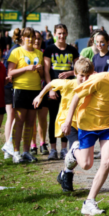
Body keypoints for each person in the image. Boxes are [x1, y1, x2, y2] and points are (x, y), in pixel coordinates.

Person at [62, 52, 109, 215]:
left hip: (108, 126)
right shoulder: (99, 79)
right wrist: (67, 121)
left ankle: (89, 201)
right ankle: (74, 150)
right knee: (86, 165)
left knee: (108, 160)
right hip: (88, 124)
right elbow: (76, 96)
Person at [33, 57, 94, 191]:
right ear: (76, 74)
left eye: (88, 76)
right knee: (76, 146)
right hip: (67, 121)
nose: (85, 79)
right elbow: (51, 84)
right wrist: (40, 96)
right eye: (82, 76)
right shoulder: (69, 84)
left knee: (81, 153)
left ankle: (64, 172)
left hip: (83, 124)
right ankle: (68, 175)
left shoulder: (91, 86)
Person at [43, 24, 80, 160]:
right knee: (53, 118)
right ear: (54, 34)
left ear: (67, 34)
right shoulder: (49, 50)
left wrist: (69, 72)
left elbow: (78, 68)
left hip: (69, 90)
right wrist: (51, 89)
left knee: (66, 118)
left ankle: (64, 149)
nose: (61, 36)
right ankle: (53, 149)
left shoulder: (72, 50)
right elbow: (46, 70)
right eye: (59, 33)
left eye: (64, 33)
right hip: (54, 90)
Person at [7, 27, 44, 163]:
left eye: (32, 37)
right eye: (27, 37)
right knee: (20, 121)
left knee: (30, 122)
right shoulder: (16, 51)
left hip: (35, 90)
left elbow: (41, 75)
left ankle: (26, 151)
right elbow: (10, 73)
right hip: (20, 89)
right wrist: (26, 68)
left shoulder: (38, 53)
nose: (30, 39)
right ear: (22, 38)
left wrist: (40, 70)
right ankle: (16, 152)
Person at [1, 28, 22, 159]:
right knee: (11, 116)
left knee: (12, 117)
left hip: (11, 86)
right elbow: (9, 71)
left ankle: (8, 146)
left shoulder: (16, 49)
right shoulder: (16, 50)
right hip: (11, 87)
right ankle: (8, 146)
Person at [30, 31, 50, 155]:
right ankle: (33, 144)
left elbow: (45, 73)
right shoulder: (26, 53)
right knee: (31, 119)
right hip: (30, 89)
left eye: (39, 39)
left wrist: (41, 71)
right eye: (34, 38)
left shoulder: (44, 54)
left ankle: (43, 143)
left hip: (43, 88)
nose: (37, 41)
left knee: (42, 118)